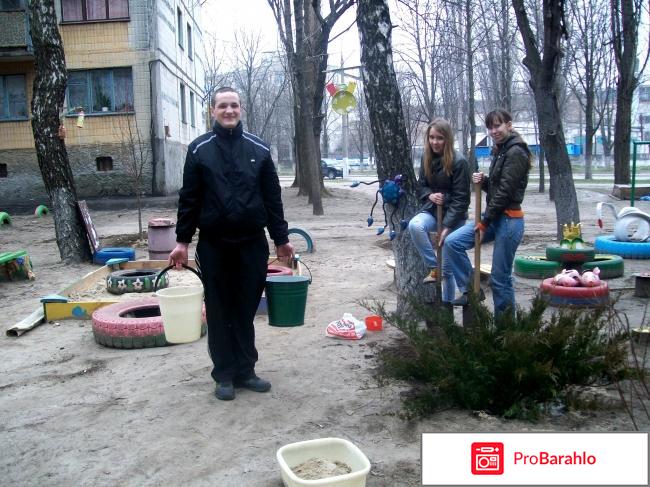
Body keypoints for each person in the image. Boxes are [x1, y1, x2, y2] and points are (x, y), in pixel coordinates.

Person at [169, 86, 294, 401]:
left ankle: (246, 371)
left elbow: (272, 199)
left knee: (245, 308)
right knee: (220, 308)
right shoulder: (199, 150)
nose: (229, 111)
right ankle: (223, 375)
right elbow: (189, 199)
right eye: (222, 106)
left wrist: (281, 239)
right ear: (212, 110)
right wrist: (182, 241)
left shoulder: (259, 149)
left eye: (234, 105)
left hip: (252, 244)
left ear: (241, 109)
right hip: (214, 244)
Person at [445, 109, 531, 316]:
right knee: (452, 242)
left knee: (500, 279)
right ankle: (471, 290)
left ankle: (505, 331)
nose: (494, 131)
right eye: (490, 127)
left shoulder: (516, 152)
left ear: (509, 125)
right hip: (495, 218)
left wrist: (484, 222)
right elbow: (497, 189)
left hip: (509, 221)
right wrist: (485, 182)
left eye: (498, 125)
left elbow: (504, 194)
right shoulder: (501, 150)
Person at [408, 118, 471, 304]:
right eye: (431, 137)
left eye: (440, 138)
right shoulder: (426, 157)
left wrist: (447, 227)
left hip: (454, 216)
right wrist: (430, 195)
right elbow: (420, 186)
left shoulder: (459, 162)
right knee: (415, 225)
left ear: (448, 139)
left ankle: (447, 305)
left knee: (448, 270)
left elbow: (462, 199)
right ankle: (434, 266)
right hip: (432, 210)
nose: (435, 142)